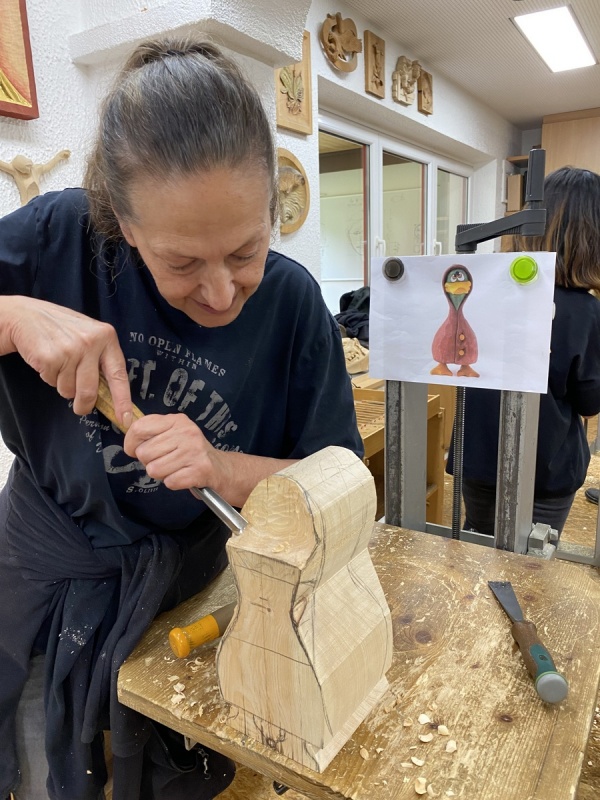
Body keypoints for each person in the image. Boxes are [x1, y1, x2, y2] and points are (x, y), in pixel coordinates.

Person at [0, 35, 363, 800]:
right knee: (36, 763)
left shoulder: (294, 306)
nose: (222, 293)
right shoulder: (57, 238)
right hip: (44, 575)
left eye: (246, 251)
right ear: (124, 226)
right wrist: (13, 316)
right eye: (181, 263)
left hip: (189, 593)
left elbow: (341, 482)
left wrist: (223, 468)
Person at [447, 166, 600, 537]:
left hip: (478, 457)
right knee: (532, 560)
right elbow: (590, 403)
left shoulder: (481, 292)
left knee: (476, 546)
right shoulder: (584, 311)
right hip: (546, 468)